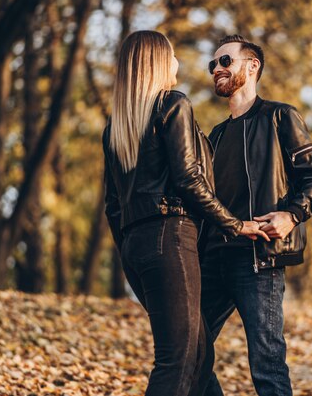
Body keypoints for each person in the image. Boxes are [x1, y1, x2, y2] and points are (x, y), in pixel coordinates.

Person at [102, 30, 268, 396]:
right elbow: (189, 180)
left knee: (199, 353)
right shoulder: (172, 104)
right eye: (173, 54)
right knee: (178, 359)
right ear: (159, 61)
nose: (178, 61)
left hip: (136, 248)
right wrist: (235, 225)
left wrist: (133, 249)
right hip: (170, 240)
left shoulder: (116, 127)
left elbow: (112, 206)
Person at [200, 35, 312, 396]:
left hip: (258, 260)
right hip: (213, 259)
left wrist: (291, 216)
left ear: (251, 65)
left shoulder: (280, 117)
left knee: (267, 365)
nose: (216, 70)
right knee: (189, 355)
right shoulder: (215, 135)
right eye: (212, 65)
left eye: (224, 61)